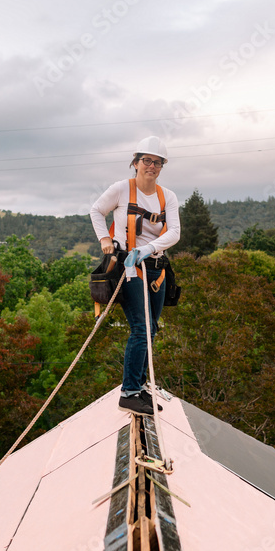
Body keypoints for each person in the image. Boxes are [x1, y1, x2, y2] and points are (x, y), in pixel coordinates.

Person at [90, 136, 181, 415]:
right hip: (127, 268)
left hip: (155, 268)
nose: (151, 166)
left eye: (157, 162)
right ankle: (129, 392)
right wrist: (105, 239)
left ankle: (139, 387)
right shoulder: (121, 190)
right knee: (141, 327)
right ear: (136, 162)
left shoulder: (168, 197)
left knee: (151, 329)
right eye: (146, 160)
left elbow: (174, 232)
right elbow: (96, 210)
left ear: (162, 166)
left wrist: (150, 249)